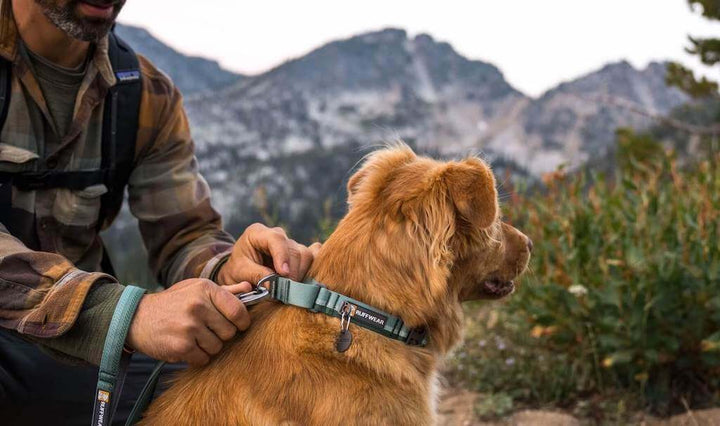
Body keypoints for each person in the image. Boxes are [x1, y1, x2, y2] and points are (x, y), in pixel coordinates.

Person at [0, 0, 319, 424]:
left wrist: (228, 269)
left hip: (75, 350)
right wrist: (126, 315)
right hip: (49, 341)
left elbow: (183, 235)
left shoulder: (145, 96)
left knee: (233, 384)